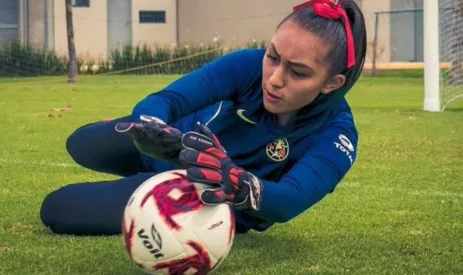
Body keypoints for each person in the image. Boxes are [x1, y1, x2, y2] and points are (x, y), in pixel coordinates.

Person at [40, 0, 367, 236]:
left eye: (297, 72)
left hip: (208, 199)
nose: (274, 79)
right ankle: (147, 163)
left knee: (57, 209)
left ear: (331, 83)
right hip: (173, 144)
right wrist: (155, 127)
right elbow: (165, 100)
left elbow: (291, 200)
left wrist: (235, 180)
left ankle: (150, 185)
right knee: (83, 143)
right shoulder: (247, 66)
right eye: (273, 56)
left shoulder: (337, 134)